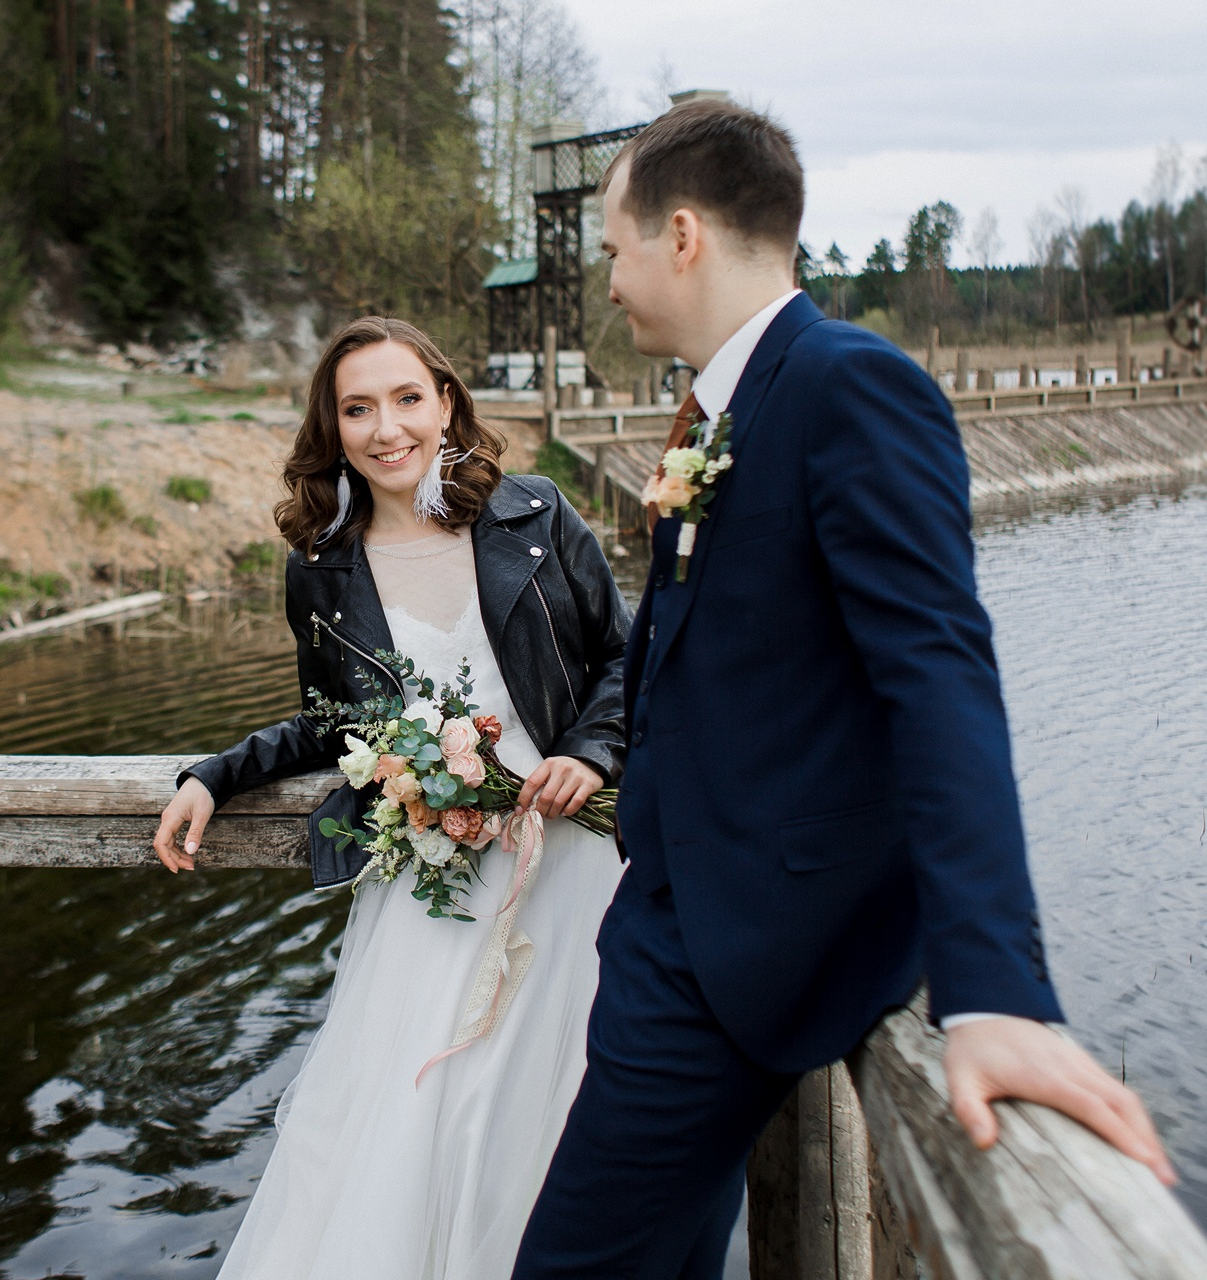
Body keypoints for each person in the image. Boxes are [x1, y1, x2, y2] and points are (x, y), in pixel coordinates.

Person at [511, 99, 1176, 1280]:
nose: (607, 283)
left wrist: (996, 993)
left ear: (681, 235)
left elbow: (940, 675)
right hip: (678, 923)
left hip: (746, 952)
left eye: (613, 251)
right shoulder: (723, 405)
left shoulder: (848, 384)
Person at [152, 316, 632, 1280]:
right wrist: (215, 774)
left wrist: (591, 750)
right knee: (413, 1125)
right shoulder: (321, 570)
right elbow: (332, 724)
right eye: (358, 408)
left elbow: (628, 658)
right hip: (436, 888)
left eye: (407, 399)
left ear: (446, 402)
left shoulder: (534, 517)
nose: (387, 429)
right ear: (333, 429)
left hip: (571, 862)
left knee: (551, 1125)